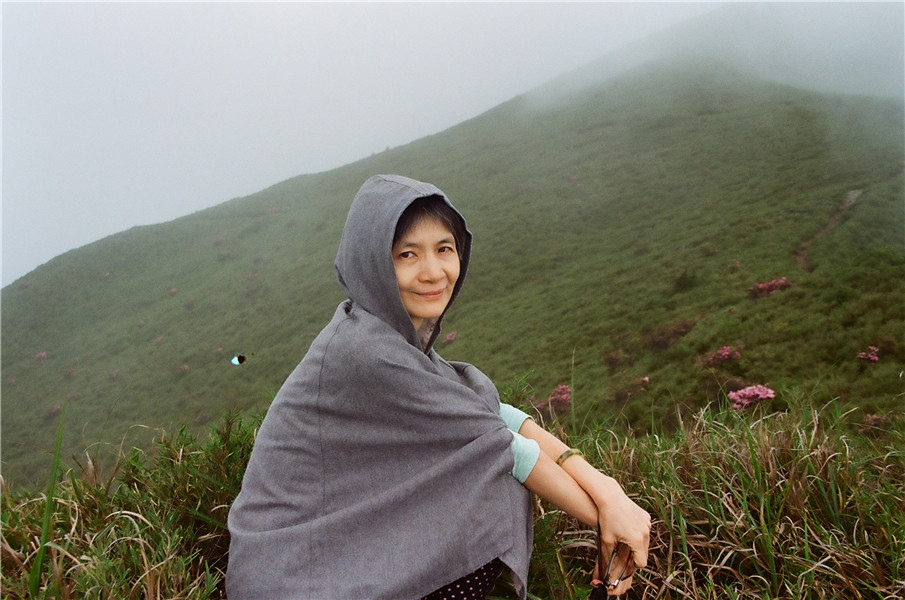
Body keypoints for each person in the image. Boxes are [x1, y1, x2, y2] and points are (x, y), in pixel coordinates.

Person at [226, 174, 651, 599]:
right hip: (293, 574)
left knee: (483, 474)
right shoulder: (365, 352)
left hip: (324, 547)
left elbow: (493, 415)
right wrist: (609, 521)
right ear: (372, 264)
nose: (433, 272)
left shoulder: (379, 328)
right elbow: (499, 446)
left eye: (444, 249)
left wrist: (608, 492)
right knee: (490, 480)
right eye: (407, 254)